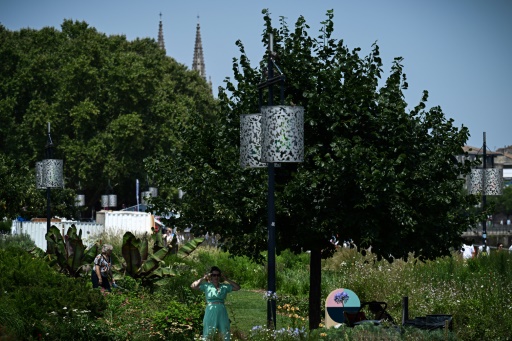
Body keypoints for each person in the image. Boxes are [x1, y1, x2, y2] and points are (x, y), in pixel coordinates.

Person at [191, 266, 240, 340]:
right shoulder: (207, 286)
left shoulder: (224, 286)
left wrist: (226, 279)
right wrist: (203, 278)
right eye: (214, 275)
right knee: (209, 329)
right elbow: (193, 286)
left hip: (221, 310)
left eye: (218, 275)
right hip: (211, 309)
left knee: (225, 329)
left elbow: (237, 287)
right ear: (211, 276)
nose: (216, 277)